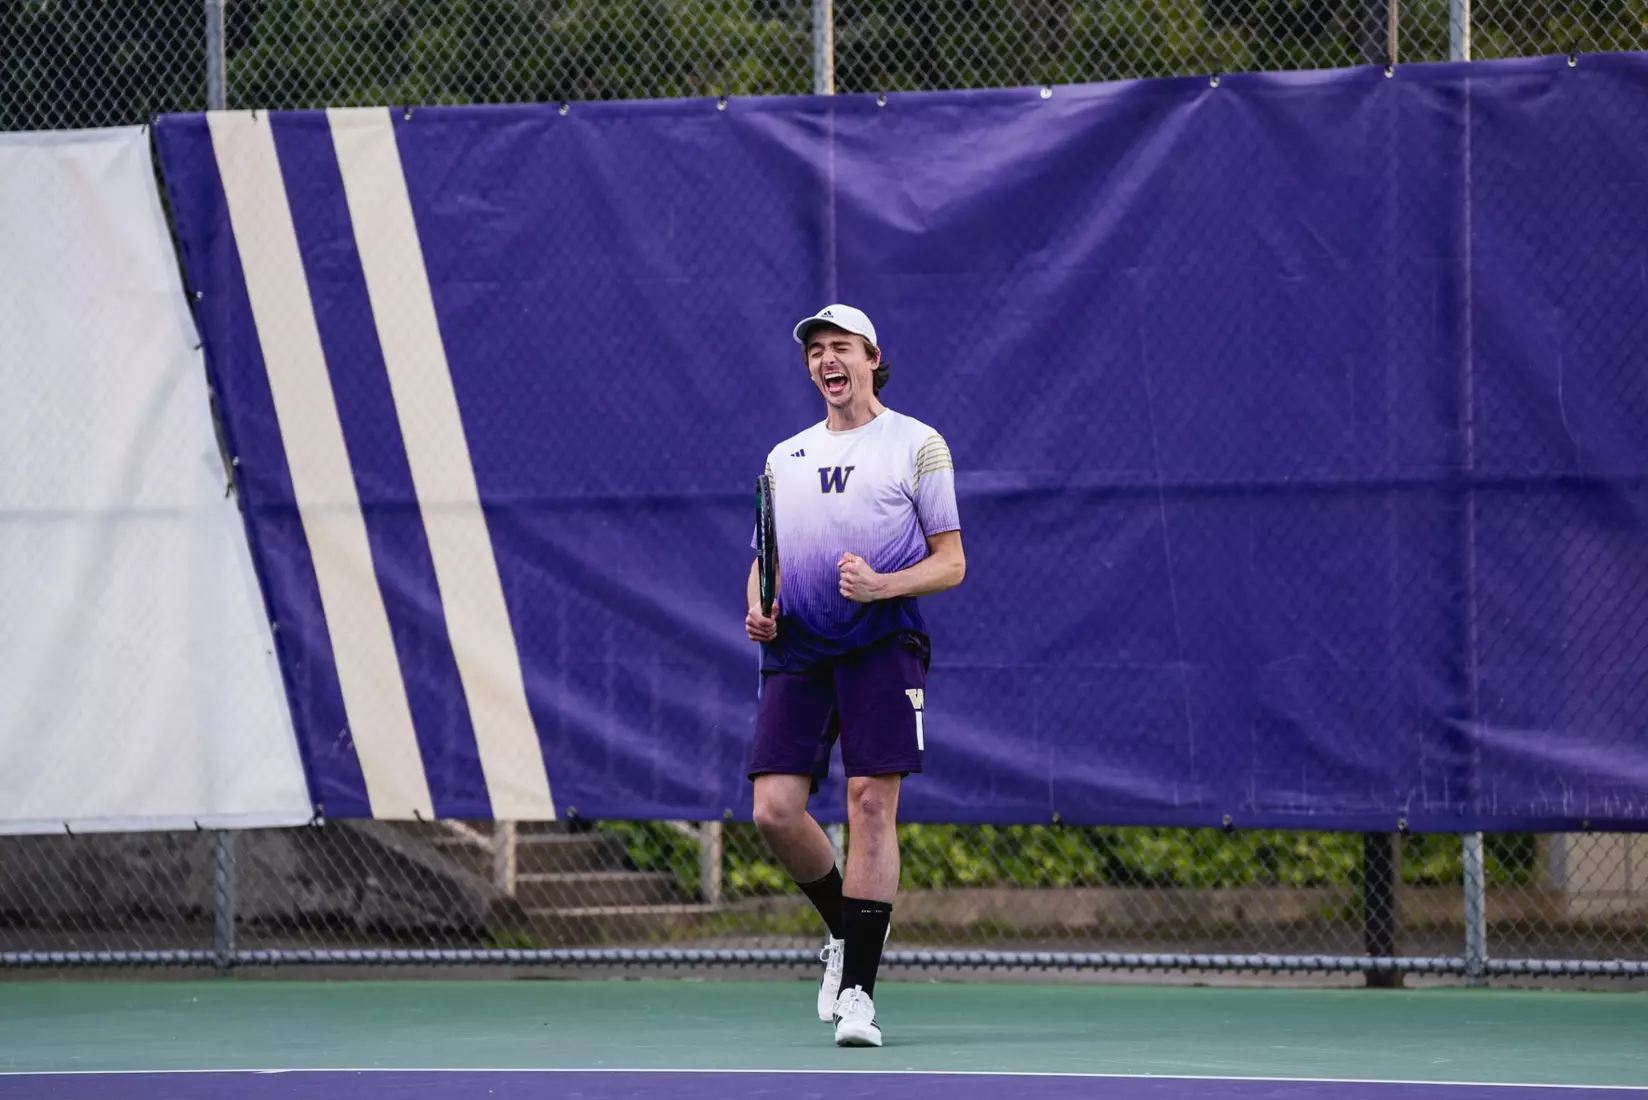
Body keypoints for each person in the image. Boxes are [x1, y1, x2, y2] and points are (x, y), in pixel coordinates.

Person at [743, 303, 965, 1047]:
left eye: (841, 348)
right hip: (799, 650)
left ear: (872, 357)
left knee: (871, 802)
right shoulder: (783, 458)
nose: (826, 362)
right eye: (815, 353)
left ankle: (860, 994)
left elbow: (951, 561)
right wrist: (760, 609)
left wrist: (881, 585)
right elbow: (763, 562)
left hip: (882, 642)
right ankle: (845, 929)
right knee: (774, 810)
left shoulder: (918, 445)